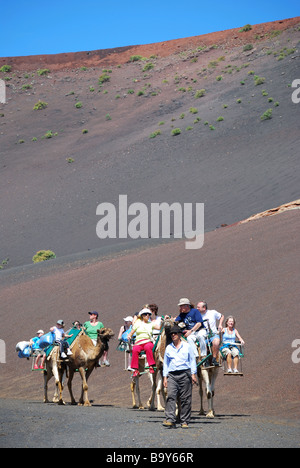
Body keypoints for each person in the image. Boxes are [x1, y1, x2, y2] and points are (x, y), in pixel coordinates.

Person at [163, 325, 198, 429]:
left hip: (185, 373)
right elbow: (166, 363)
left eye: (175, 333)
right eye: (171, 334)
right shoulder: (168, 348)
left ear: (179, 335)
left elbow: (192, 360)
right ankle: (170, 419)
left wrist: (193, 374)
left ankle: (184, 421)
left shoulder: (187, 346)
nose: (173, 335)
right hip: (172, 375)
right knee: (171, 396)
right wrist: (165, 377)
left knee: (185, 399)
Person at [127, 308, 161, 378]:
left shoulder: (151, 324)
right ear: (142, 315)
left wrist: (164, 322)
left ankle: (151, 365)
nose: (147, 316)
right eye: (145, 314)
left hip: (147, 341)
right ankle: (135, 369)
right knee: (135, 349)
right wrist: (129, 336)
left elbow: (159, 327)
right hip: (139, 342)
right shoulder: (137, 324)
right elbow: (131, 332)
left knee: (148, 347)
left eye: (149, 314)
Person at [197, 301, 224, 366]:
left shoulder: (213, 312)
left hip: (213, 334)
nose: (197, 308)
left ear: (204, 308)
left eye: (198, 307)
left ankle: (214, 359)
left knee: (216, 342)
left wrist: (220, 324)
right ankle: (203, 360)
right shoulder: (197, 315)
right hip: (203, 335)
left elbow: (221, 316)